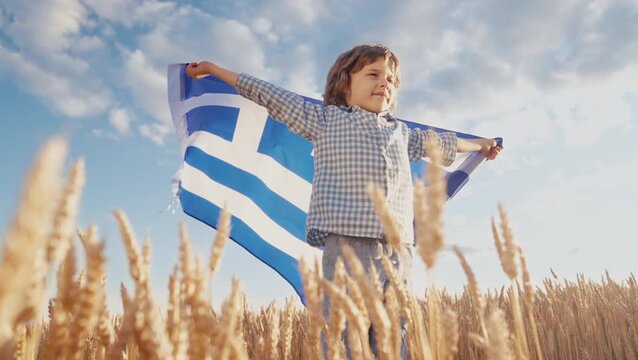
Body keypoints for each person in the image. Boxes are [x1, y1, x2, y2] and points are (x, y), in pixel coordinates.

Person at [186, 44, 501, 358]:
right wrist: (214, 70)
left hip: (397, 252)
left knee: (393, 334)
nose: (384, 83)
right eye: (373, 74)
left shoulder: (403, 134)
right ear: (345, 84)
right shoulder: (326, 120)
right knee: (347, 333)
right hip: (349, 247)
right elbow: (270, 95)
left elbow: (443, 143)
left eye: (391, 79)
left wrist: (481, 145)